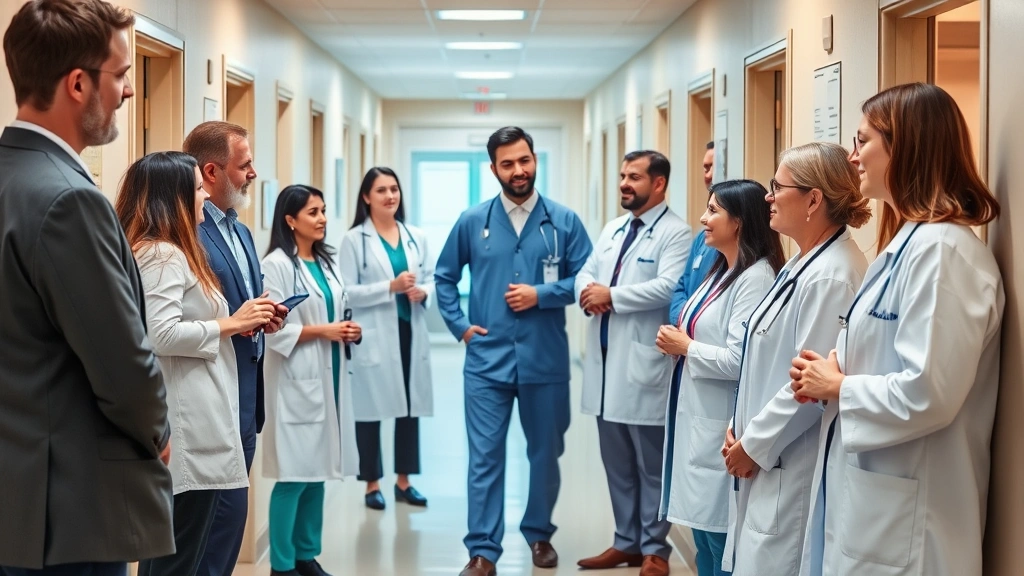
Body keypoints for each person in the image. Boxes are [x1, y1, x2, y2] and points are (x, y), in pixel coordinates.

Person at [790, 83, 1003, 576]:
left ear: (903, 146)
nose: (852, 156)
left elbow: (929, 393)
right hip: (877, 496)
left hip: (915, 517)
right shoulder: (907, 244)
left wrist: (838, 386)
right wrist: (835, 366)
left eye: (862, 141)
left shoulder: (943, 254)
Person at [0, 1, 174, 573]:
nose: (129, 90)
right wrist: (157, 433)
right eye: (121, 75)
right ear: (78, 84)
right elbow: (121, 363)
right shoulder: (69, 201)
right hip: (68, 514)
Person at [435, 126, 593, 576]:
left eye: (524, 160)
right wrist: (460, 327)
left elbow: (587, 280)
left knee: (545, 454)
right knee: (485, 457)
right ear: (494, 169)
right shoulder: (473, 221)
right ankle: (483, 550)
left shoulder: (564, 221)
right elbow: (444, 277)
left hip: (546, 359)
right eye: (507, 164)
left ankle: (539, 533)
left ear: (534, 160)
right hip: (487, 360)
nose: (518, 170)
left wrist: (541, 294)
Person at [117, 152, 278, 576]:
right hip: (188, 424)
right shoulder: (162, 255)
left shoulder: (168, 251)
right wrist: (232, 323)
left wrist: (236, 323)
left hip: (198, 415)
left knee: (179, 557)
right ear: (173, 197)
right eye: (197, 188)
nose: (205, 196)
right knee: (177, 562)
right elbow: (159, 334)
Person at [717, 143, 870, 576]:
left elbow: (808, 385)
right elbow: (764, 359)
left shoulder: (832, 275)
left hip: (791, 462)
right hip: (765, 453)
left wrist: (753, 444)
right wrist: (739, 427)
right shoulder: (801, 263)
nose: (768, 196)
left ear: (813, 199)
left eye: (777, 186)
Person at [655, 180, 784, 576]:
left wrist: (686, 347)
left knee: (718, 544)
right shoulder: (722, 271)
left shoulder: (756, 279)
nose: (703, 219)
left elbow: (741, 360)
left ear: (739, 221)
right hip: (696, 422)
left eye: (713, 211)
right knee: (704, 544)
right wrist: (682, 345)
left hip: (718, 428)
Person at [574, 150, 690, 576]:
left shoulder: (676, 233)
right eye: (623, 175)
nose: (624, 183)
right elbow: (586, 271)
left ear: (658, 183)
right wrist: (587, 291)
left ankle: (655, 549)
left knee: (651, 465)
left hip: (643, 369)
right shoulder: (614, 228)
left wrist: (612, 296)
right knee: (617, 464)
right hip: (606, 367)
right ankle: (626, 541)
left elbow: (669, 286)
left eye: (634, 177)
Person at [183, 121, 288, 576]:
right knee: (201, 527)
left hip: (246, 397)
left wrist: (265, 315)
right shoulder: (188, 233)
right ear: (211, 171)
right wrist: (236, 323)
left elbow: (244, 301)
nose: (253, 173)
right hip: (210, 396)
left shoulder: (241, 232)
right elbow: (175, 321)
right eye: (244, 165)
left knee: (229, 522)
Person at [262, 184, 362, 576]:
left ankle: (306, 556)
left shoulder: (326, 260)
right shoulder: (276, 265)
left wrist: (347, 330)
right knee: (293, 477)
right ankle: (282, 565)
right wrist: (325, 331)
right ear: (290, 220)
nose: (322, 219)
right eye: (313, 212)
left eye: (323, 211)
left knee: (317, 473)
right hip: (296, 380)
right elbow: (272, 330)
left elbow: (338, 307)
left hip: (330, 376)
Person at [339, 167, 435, 510]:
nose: (390, 195)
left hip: (410, 330)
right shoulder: (354, 240)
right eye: (381, 190)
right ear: (367, 197)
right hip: (375, 334)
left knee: (409, 408)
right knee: (370, 410)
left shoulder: (415, 236)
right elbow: (345, 292)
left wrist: (424, 292)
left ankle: (404, 482)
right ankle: (372, 484)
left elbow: (433, 278)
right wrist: (389, 287)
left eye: (394, 189)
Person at [669, 141, 718, 323]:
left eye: (714, 167)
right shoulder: (701, 238)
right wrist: (682, 320)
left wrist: (691, 325)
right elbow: (682, 286)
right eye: (706, 168)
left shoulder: (739, 243)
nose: (709, 175)